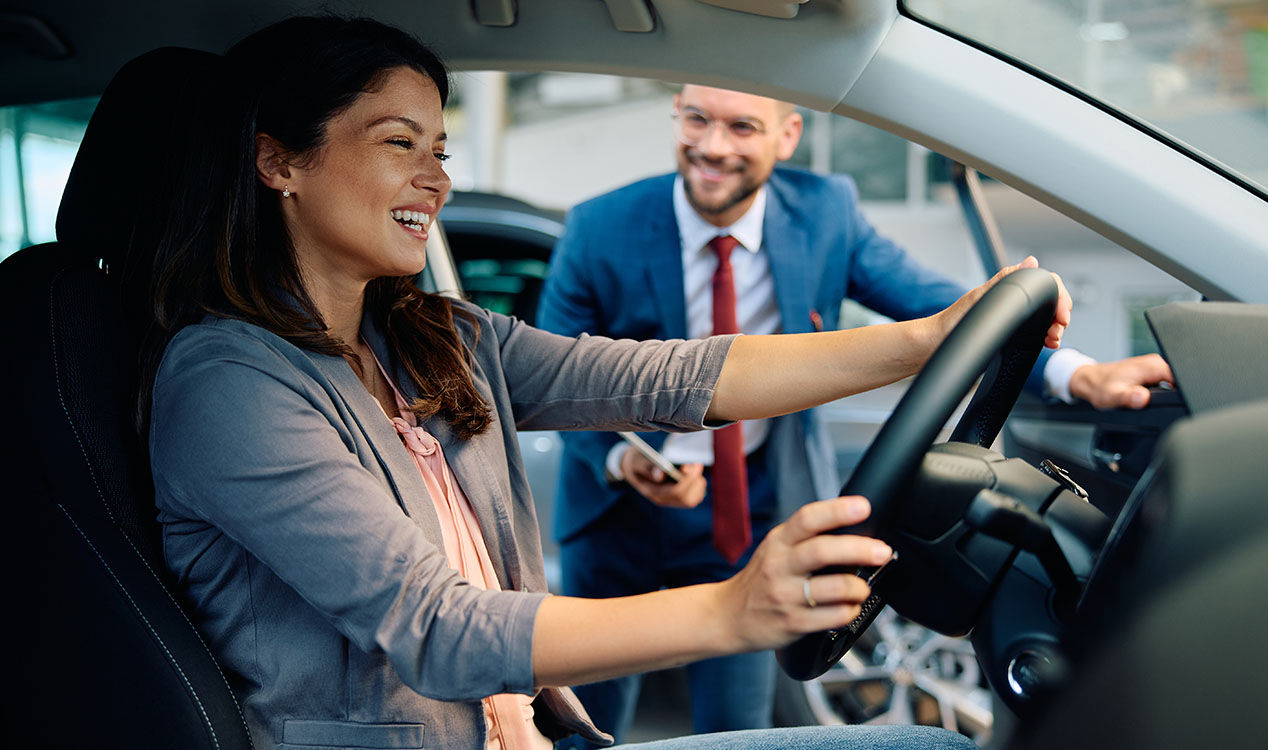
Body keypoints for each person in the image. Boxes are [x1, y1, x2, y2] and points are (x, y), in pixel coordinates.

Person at [142, 17, 1069, 750]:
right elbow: (434, 627)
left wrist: (932, 338)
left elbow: (674, 375)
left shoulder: (432, 338)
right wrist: (731, 608)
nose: (436, 179)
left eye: (441, 149)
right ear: (279, 162)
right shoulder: (230, 383)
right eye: (400, 143)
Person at [535, 85, 1172, 745]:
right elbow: (557, 376)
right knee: (585, 724)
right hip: (617, 515)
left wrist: (1081, 374)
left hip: (753, 511)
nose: (712, 146)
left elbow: (936, 307)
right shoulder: (598, 225)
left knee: (737, 728)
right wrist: (622, 454)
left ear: (788, 136)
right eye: (695, 120)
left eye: (742, 127)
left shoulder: (826, 212)